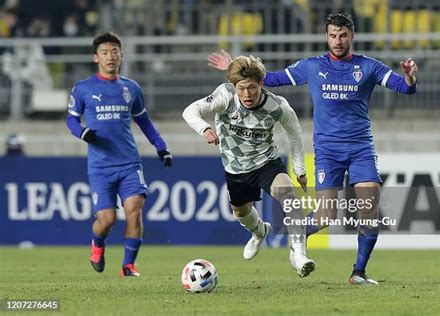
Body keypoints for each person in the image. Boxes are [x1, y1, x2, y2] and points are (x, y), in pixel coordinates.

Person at [208, 12, 418, 285]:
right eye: (333, 35)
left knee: (369, 208)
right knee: (325, 215)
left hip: (360, 148)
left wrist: (411, 78)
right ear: (327, 36)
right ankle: (297, 239)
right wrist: (234, 67)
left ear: (352, 36)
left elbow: (405, 88)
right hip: (328, 152)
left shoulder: (369, 67)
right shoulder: (312, 66)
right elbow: (268, 80)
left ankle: (358, 272)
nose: (338, 41)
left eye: (343, 35)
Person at [183, 55, 315, 278]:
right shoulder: (225, 95)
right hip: (235, 168)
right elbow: (190, 111)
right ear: (234, 86)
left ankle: (299, 254)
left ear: (261, 84)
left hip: (267, 162)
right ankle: (259, 232)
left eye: (252, 88)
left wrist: (300, 169)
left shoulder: (278, 106)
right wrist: (204, 129)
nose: (247, 94)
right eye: (241, 88)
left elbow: (294, 132)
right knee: (241, 212)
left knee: (288, 195)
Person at [66, 31, 173, 278]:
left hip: (129, 163)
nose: (110, 56)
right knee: (107, 219)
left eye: (114, 51)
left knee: (135, 208)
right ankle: (97, 244)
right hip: (100, 166)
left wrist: (161, 146)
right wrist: (82, 133)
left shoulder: (131, 88)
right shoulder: (83, 89)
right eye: (104, 52)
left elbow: (144, 121)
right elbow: (71, 119)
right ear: (96, 57)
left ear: (121, 55)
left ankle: (128, 265)